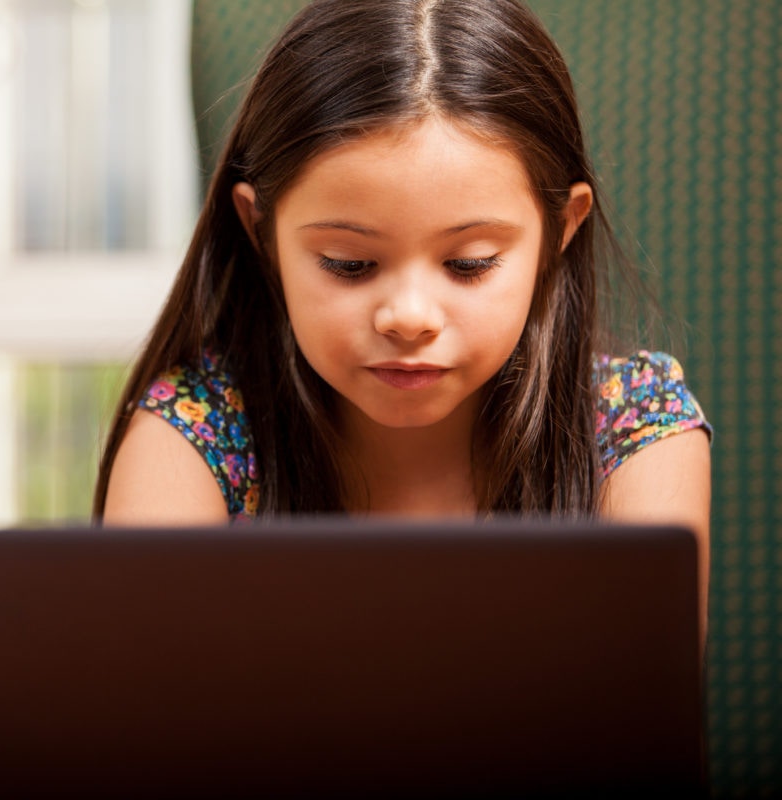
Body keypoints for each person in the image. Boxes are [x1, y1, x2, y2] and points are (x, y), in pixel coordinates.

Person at [94, 0, 711, 596]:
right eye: (350, 264)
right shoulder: (192, 434)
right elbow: (149, 695)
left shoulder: (632, 425)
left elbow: (637, 697)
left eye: (469, 265)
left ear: (559, 235)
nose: (409, 317)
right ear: (263, 235)